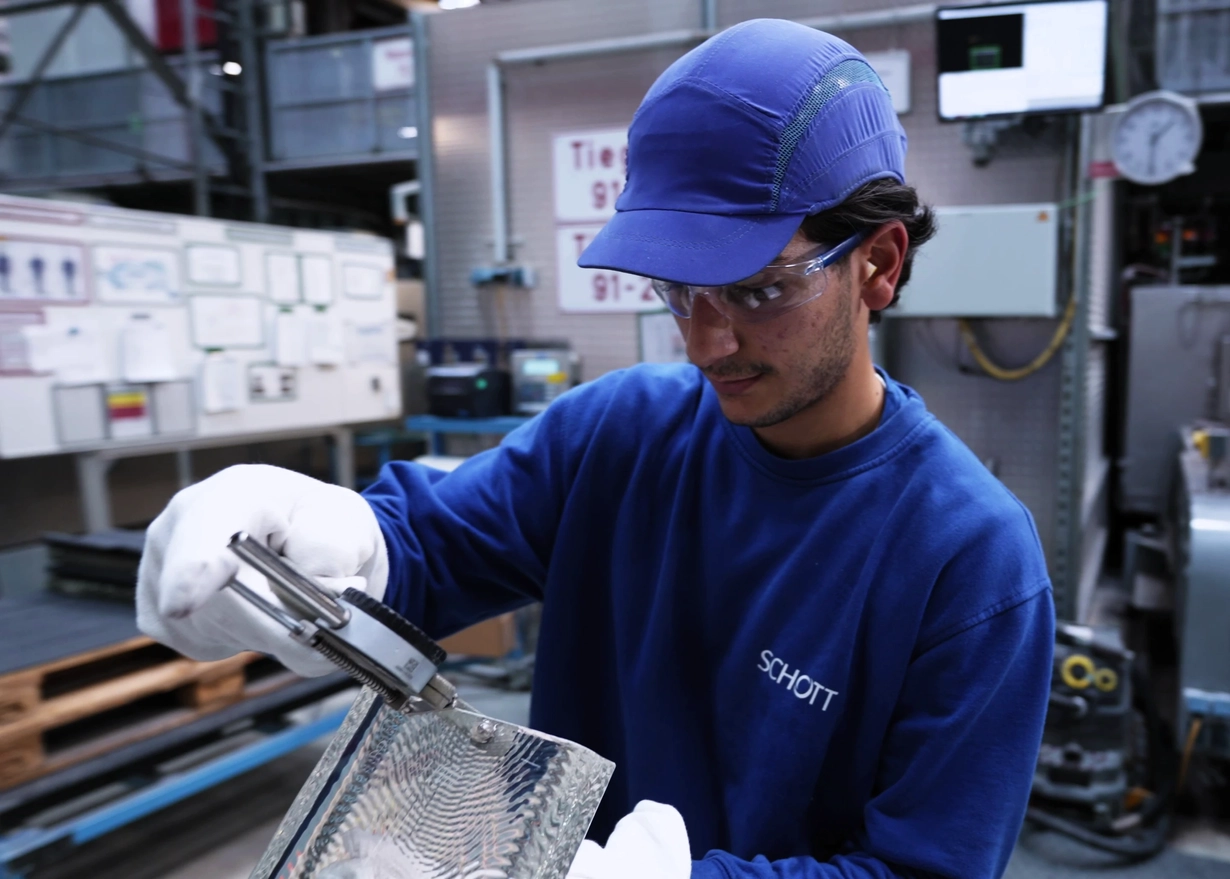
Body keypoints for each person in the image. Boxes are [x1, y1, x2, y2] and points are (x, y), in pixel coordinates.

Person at [138, 19, 1054, 879]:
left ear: (880, 264)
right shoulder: (619, 434)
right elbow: (429, 547)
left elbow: (921, 866)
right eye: (677, 292)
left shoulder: (970, 562)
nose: (706, 344)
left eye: (758, 292)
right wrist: (335, 545)